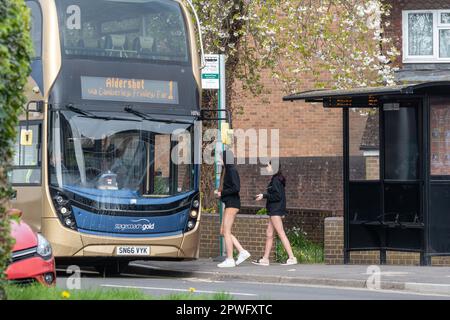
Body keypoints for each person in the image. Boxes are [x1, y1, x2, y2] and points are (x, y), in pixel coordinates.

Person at [252, 160, 297, 266]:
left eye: (268, 165)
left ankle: (292, 257)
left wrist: (264, 196)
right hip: (274, 210)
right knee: (269, 234)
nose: (267, 167)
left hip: (275, 210)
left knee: (281, 233)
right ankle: (265, 259)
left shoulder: (276, 180)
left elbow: (278, 196)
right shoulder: (276, 179)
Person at [215, 149, 251, 268]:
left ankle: (230, 259)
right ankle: (242, 251)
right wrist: (220, 192)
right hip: (229, 203)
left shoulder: (232, 170)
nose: (219, 160)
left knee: (226, 231)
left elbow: (236, 188)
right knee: (223, 231)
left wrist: (223, 193)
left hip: (233, 204)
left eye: (221, 158)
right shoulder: (226, 171)